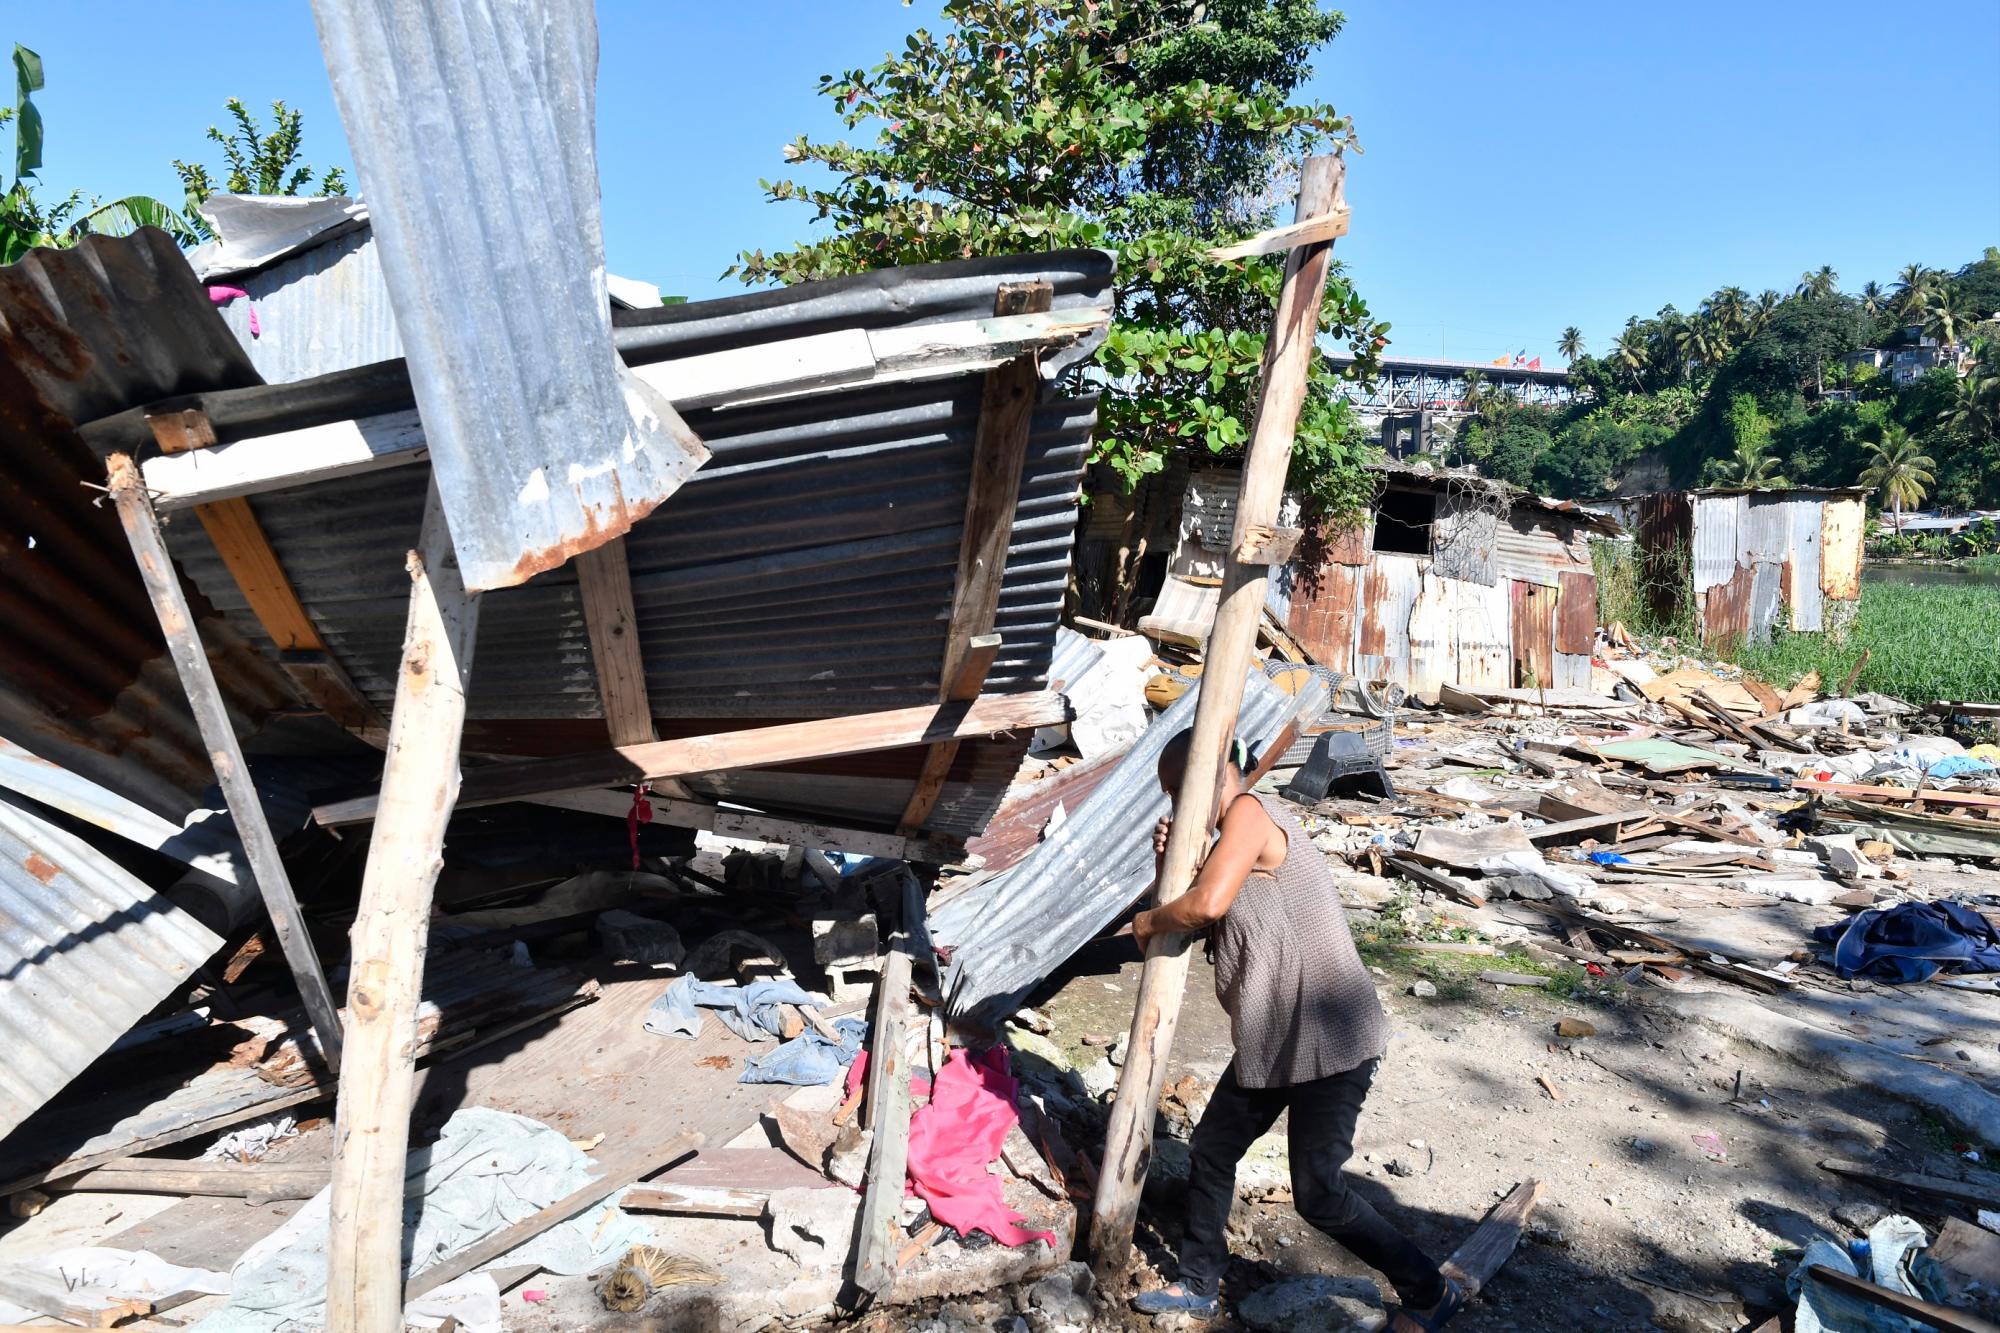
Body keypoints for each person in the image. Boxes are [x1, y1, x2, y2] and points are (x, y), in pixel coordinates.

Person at [1129, 729, 1465, 1331]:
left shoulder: (1252, 812)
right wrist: (1167, 861)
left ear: (1214, 777)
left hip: (1331, 1035)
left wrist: (1147, 919)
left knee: (1318, 1192)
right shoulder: (1223, 837)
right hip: (1274, 1037)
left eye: (1179, 792)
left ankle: (1430, 1291)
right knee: (1212, 1149)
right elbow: (1192, 909)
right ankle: (1198, 1282)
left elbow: (1201, 906)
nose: (1176, 807)